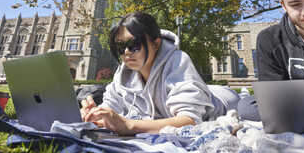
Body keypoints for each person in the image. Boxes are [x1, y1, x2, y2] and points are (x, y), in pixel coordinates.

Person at [81, 12, 240, 135]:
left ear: (156, 44)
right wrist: (95, 114)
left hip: (224, 99)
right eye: (121, 47)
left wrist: (130, 125)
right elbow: (111, 108)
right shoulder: (124, 72)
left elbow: (190, 121)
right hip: (192, 93)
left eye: (134, 45)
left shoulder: (178, 61)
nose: (127, 53)